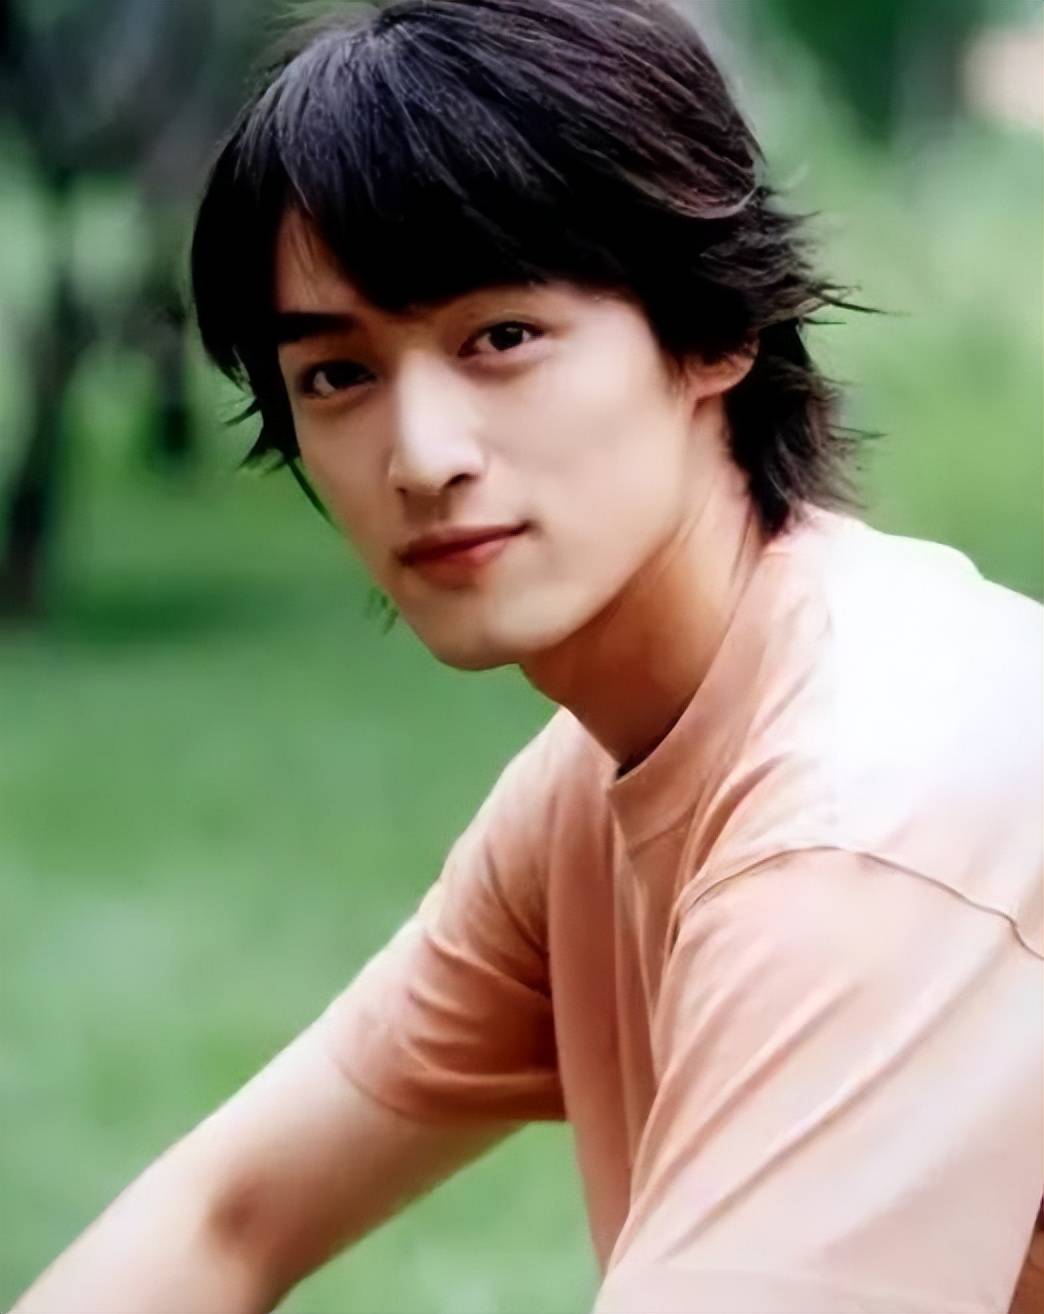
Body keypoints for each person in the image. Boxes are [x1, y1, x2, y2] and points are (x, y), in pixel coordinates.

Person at [13, 2, 1043, 1312]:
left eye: (500, 338)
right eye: (337, 375)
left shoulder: (870, 809)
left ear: (715, 329)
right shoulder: (609, 773)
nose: (422, 455)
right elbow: (228, 1217)